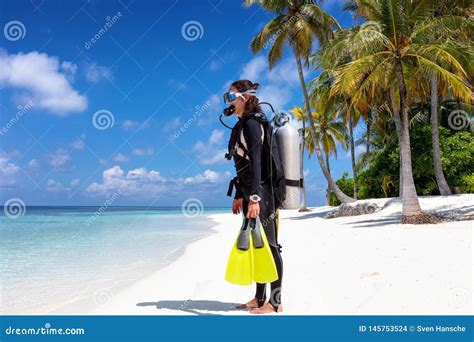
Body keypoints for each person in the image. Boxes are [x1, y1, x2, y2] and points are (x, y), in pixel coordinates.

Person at [225, 79, 283, 314]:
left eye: (232, 96)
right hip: (251, 191)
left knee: (270, 246)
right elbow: (244, 166)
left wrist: (256, 198)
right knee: (256, 245)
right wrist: (240, 194)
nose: (229, 102)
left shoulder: (251, 124)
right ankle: (260, 298)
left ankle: (276, 302)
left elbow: (258, 163)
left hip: (265, 192)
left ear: (244, 98)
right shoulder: (240, 125)